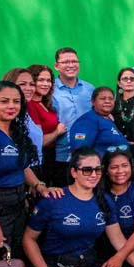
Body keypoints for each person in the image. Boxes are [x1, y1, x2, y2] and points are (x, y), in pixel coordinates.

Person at [0, 81, 61, 260]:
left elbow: (22, 166)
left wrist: (39, 186)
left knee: (17, 262)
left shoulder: (15, 133)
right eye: (4, 101)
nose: (11, 106)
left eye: (16, 102)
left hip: (18, 207)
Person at [52, 47, 95, 187]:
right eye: (65, 62)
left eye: (74, 61)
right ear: (57, 66)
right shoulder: (50, 90)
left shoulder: (90, 89)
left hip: (88, 156)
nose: (71, 65)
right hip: (61, 156)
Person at [27, 64, 68, 185]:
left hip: (53, 157)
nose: (46, 84)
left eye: (49, 80)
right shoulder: (30, 106)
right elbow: (38, 142)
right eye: (41, 80)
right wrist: (57, 132)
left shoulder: (45, 103)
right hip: (40, 160)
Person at [70, 87, 130, 158]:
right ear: (93, 102)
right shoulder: (87, 121)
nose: (107, 101)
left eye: (111, 99)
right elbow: (81, 152)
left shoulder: (107, 119)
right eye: (103, 98)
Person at [3, 68, 44, 168]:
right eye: (22, 84)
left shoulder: (25, 113)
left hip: (36, 169)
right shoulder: (8, 115)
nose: (29, 88)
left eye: (32, 84)